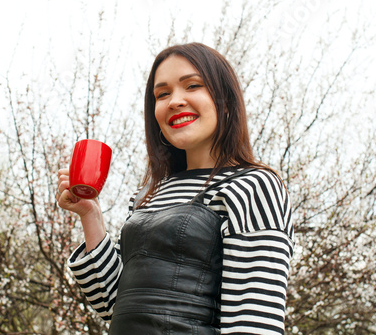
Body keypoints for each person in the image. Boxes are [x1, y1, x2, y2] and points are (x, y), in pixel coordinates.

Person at [56, 42, 294, 335]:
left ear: (226, 101)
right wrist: (90, 214)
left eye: (192, 86)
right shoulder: (147, 195)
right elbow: (114, 305)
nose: (174, 101)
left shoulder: (253, 187)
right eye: (163, 94)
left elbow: (254, 325)